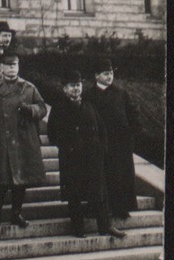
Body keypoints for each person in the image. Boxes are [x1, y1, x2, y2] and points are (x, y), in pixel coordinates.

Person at [48, 70, 127, 239]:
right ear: (64, 89)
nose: (76, 89)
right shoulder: (58, 108)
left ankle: (105, 226)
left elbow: (101, 128)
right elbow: (52, 135)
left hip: (93, 157)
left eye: (78, 85)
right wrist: (68, 146)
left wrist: (101, 147)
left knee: (99, 192)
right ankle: (78, 228)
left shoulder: (89, 105)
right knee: (74, 193)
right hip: (72, 159)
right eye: (72, 86)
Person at [0, 50, 46, 229]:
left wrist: (30, 110)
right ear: (1, 68)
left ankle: (16, 213)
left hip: (22, 140)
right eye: (8, 65)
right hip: (1, 141)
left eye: (14, 65)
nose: (11, 69)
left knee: (20, 180)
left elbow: (42, 108)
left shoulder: (29, 87)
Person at [82, 58, 140, 219]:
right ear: (96, 76)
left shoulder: (121, 93)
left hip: (120, 144)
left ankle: (120, 208)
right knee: (99, 176)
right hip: (97, 143)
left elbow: (132, 115)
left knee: (120, 176)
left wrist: (131, 136)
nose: (109, 77)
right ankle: (96, 208)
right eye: (106, 74)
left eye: (111, 73)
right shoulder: (88, 95)